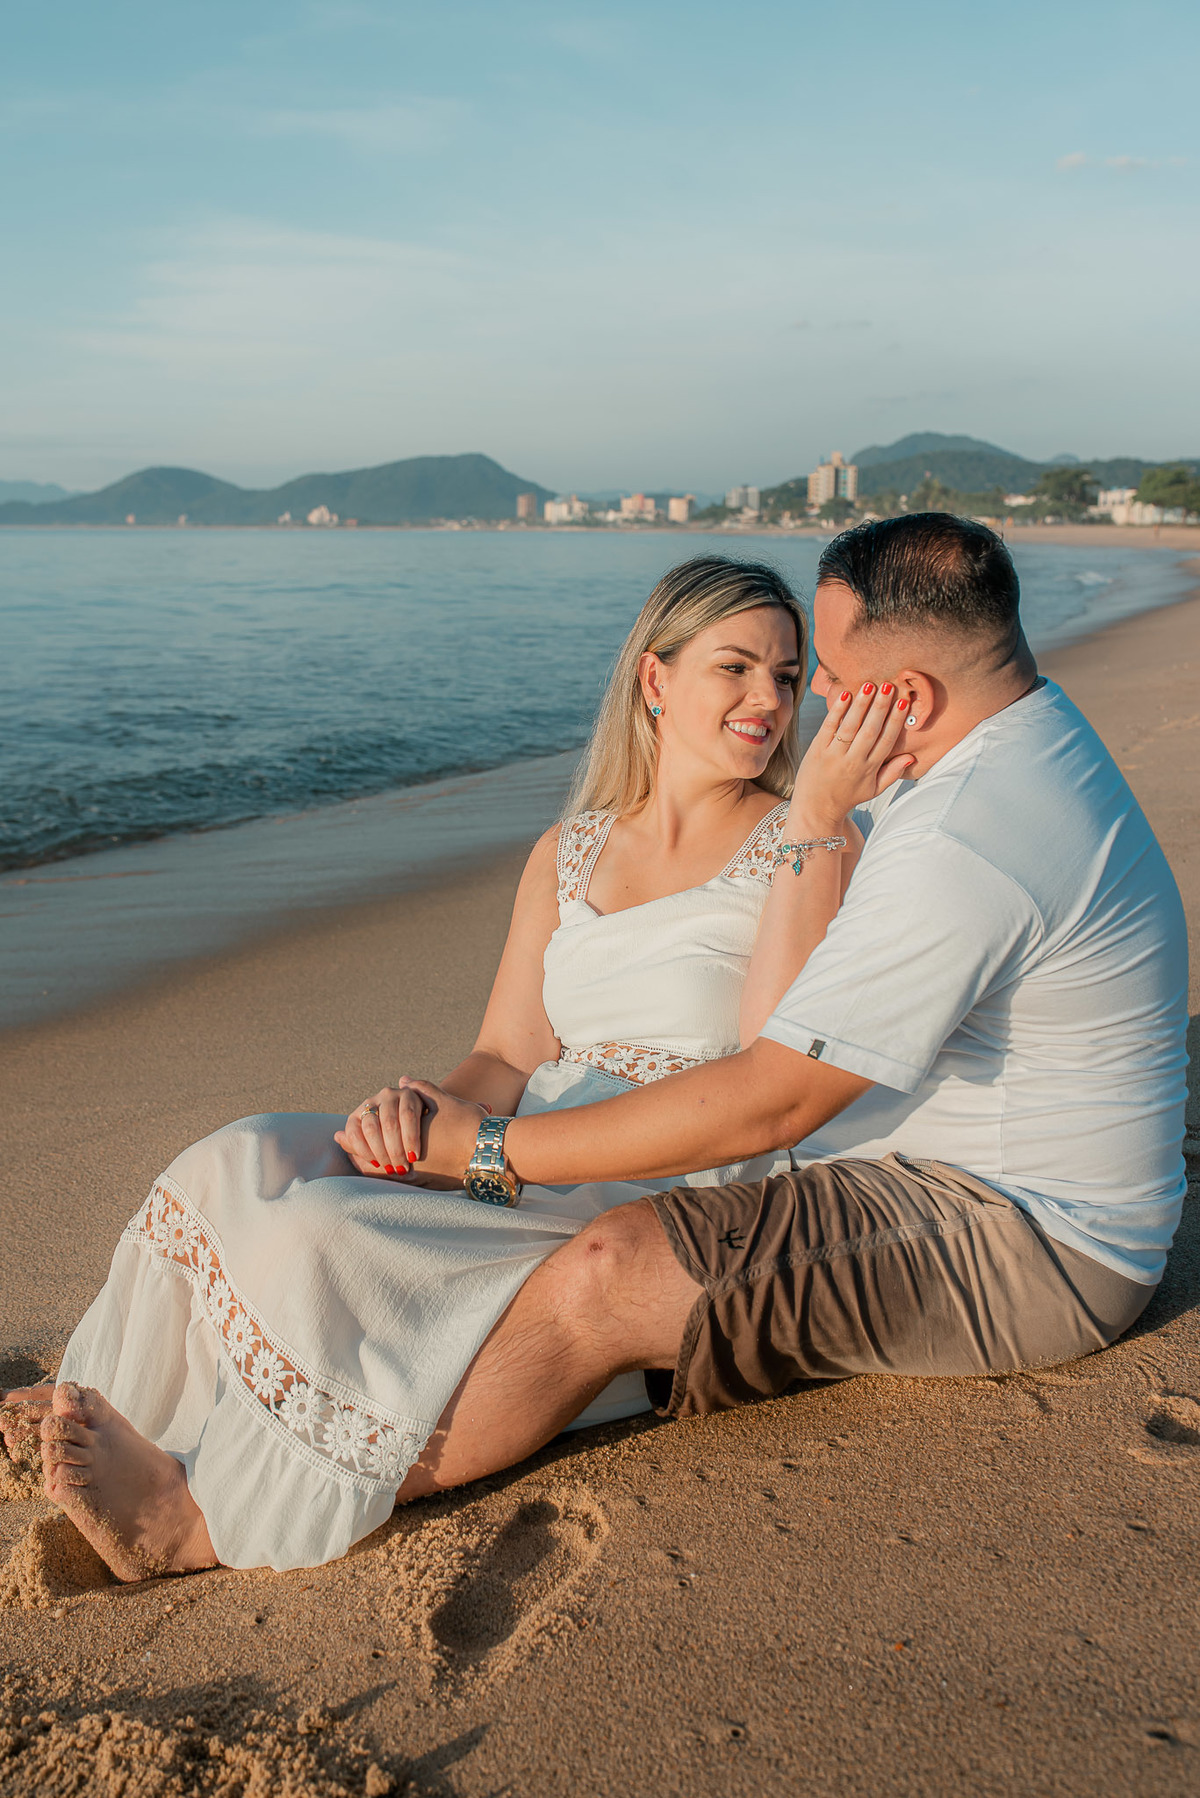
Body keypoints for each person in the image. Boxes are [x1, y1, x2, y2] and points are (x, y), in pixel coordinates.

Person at [3, 554, 909, 1578]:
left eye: (788, 676)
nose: (769, 700)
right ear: (654, 681)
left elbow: (772, 1056)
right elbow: (509, 1053)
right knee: (241, 1157)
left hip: (658, 1155)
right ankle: (115, 1406)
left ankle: (194, 1507)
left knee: (315, 1233)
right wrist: (420, 1114)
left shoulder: (806, 840)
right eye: (736, 668)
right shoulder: (568, 850)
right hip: (523, 1130)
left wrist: (819, 824)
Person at [317, 510, 1189, 1495]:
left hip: (1023, 1237)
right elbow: (781, 1025)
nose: (806, 694)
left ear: (903, 692)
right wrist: (818, 815)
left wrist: (489, 1152)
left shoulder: (967, 831)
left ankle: (213, 1522)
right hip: (927, 1170)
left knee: (611, 1271)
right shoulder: (1006, 749)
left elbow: (777, 1096)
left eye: (822, 671)